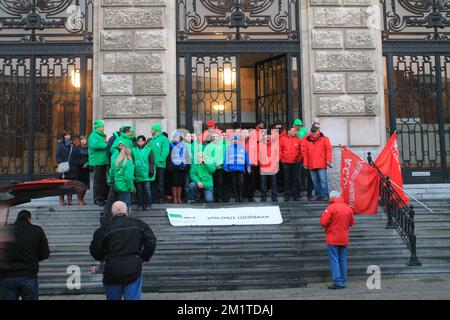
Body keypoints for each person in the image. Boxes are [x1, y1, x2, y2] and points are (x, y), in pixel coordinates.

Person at [90, 201, 156, 300]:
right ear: (127, 211)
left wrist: (103, 258)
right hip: (133, 267)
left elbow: (94, 249)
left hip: (112, 269)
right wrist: (144, 257)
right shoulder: (138, 224)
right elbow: (151, 241)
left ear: (112, 213)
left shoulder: (104, 229)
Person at [0, 210, 50, 300]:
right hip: (29, 274)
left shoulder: (6, 230)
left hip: (7, 276)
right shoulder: (37, 230)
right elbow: (45, 253)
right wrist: (33, 258)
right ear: (29, 219)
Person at [320, 191, 354, 290]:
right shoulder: (348, 208)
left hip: (333, 238)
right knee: (342, 260)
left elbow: (323, 222)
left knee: (334, 259)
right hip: (344, 238)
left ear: (332, 198)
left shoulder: (330, 208)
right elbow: (351, 222)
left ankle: (338, 282)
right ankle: (343, 280)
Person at [303, 125, 332, 201]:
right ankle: (318, 195)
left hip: (321, 163)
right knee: (315, 182)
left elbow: (328, 150)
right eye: (312, 132)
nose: (313, 134)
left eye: (314, 132)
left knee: (323, 180)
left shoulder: (325, 139)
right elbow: (305, 153)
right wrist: (305, 163)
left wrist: (328, 160)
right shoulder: (307, 140)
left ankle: (325, 195)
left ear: (318, 131)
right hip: (312, 164)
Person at [223, 134, 251, 203]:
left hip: (240, 169)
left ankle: (240, 196)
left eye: (236, 139)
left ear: (238, 140)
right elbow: (226, 158)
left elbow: (247, 158)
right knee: (233, 183)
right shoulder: (228, 148)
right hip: (231, 169)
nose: (235, 141)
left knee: (241, 182)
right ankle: (236, 197)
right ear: (232, 140)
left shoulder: (242, 148)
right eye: (234, 139)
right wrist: (225, 167)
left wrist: (248, 166)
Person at [56, 130, 80, 206]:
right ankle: (62, 200)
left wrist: (75, 164)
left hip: (72, 168)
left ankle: (70, 200)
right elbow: (57, 155)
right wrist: (62, 163)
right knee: (63, 185)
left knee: (71, 185)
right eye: (66, 135)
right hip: (64, 169)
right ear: (63, 136)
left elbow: (77, 155)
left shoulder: (73, 145)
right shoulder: (60, 145)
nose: (67, 136)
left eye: (69, 135)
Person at [88, 120, 109, 206]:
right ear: (98, 127)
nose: (103, 128)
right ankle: (96, 198)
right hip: (97, 162)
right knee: (97, 182)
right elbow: (95, 145)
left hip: (102, 161)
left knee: (103, 181)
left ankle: (102, 197)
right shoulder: (93, 135)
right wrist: (105, 144)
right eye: (102, 127)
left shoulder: (100, 136)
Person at [132, 136, 155, 211]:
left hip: (147, 174)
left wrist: (151, 171)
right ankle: (140, 205)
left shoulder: (149, 150)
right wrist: (133, 173)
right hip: (138, 173)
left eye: (141, 141)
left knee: (147, 190)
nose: (140, 142)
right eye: (138, 141)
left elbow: (152, 162)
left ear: (145, 142)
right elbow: (132, 161)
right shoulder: (134, 150)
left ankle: (148, 204)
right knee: (139, 191)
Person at [280, 127, 302, 202]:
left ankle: (295, 196)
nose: (294, 132)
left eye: (295, 131)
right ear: (288, 131)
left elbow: (301, 151)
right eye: (292, 130)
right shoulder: (283, 139)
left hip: (296, 163)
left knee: (295, 179)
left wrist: (299, 159)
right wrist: (282, 159)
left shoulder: (298, 140)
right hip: (286, 162)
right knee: (287, 179)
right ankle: (287, 196)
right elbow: (280, 150)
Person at [149, 124, 170, 204]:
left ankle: (160, 198)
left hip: (160, 165)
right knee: (153, 182)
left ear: (156, 130)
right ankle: (154, 198)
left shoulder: (164, 139)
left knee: (160, 182)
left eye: (152, 129)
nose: (151, 130)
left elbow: (165, 151)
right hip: (152, 165)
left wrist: (160, 160)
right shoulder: (152, 140)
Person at [204, 133, 226, 202]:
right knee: (212, 182)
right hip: (211, 168)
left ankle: (218, 197)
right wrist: (212, 164)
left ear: (218, 138)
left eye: (216, 137)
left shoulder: (221, 146)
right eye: (213, 137)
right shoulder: (208, 146)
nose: (215, 138)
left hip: (219, 168)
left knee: (219, 182)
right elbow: (205, 156)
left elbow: (223, 156)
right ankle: (211, 197)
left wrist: (220, 163)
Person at [169, 132, 189, 204]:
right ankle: (174, 198)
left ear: (180, 138)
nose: (176, 139)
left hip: (182, 167)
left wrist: (187, 166)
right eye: (175, 137)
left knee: (180, 183)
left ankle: (179, 198)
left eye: (177, 137)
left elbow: (187, 157)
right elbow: (169, 157)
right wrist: (170, 166)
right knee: (174, 183)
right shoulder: (171, 145)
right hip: (174, 167)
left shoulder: (184, 146)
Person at [259, 133, 279, 202]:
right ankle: (263, 197)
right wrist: (260, 163)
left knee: (274, 183)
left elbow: (278, 155)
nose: (268, 136)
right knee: (263, 183)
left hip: (272, 167)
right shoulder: (260, 145)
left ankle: (274, 197)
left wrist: (275, 163)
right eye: (266, 135)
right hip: (263, 167)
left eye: (269, 135)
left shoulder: (275, 145)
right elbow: (257, 154)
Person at [78, 135, 90, 205]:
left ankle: (82, 199)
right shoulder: (77, 148)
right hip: (79, 168)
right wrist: (80, 164)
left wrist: (87, 164)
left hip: (86, 168)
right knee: (79, 184)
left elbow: (91, 157)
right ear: (80, 141)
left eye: (84, 139)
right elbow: (76, 157)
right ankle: (79, 199)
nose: (83, 141)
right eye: (82, 139)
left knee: (85, 185)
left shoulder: (89, 149)